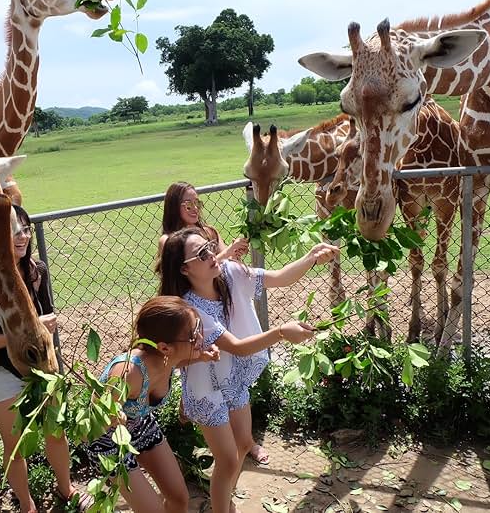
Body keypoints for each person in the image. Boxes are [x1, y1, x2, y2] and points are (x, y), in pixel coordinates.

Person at [159, 228, 339, 513]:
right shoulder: (190, 309)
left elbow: (279, 278)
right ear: (184, 269)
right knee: (229, 460)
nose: (212, 254)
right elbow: (239, 347)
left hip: (232, 379)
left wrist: (311, 257)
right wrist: (281, 331)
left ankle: (223, 496)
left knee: (243, 444)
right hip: (206, 389)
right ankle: (222, 505)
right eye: (202, 253)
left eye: (210, 246)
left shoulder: (230, 273)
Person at [0, 205, 90, 513]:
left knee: (56, 433)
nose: (21, 237)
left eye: (25, 229)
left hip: (40, 367)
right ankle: (26, 504)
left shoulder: (37, 270)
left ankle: (66, 488)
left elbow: (47, 314)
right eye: (12, 231)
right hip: (0, 370)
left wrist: (43, 326)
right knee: (15, 445)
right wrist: (26, 332)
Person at [158, 180, 278, 464]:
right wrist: (223, 254)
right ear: (174, 206)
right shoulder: (170, 241)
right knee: (198, 366)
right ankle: (204, 420)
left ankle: (246, 444)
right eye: (187, 202)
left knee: (233, 381)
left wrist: (234, 253)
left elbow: (220, 266)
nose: (193, 207)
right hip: (193, 315)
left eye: (197, 201)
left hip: (219, 309)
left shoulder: (209, 231)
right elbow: (188, 274)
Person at [86, 296, 219, 513]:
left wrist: (200, 357)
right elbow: (95, 414)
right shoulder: (128, 372)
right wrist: (113, 414)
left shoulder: (165, 357)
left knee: (179, 498)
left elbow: (177, 360)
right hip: (107, 441)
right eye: (194, 335)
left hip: (140, 424)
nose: (201, 337)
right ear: (164, 347)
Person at [158, 181, 249, 264]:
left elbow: (227, 264)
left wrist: (235, 252)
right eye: (188, 205)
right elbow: (194, 273)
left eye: (197, 203)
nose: (195, 208)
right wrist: (229, 251)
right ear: (174, 208)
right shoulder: (167, 240)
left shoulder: (209, 232)